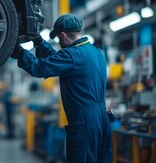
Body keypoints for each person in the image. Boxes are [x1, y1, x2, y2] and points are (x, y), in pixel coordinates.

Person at [11, 14, 112, 163]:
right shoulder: (96, 52)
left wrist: (20, 53)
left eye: (58, 38)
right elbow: (60, 59)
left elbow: (40, 68)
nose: (58, 41)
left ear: (63, 35)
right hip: (102, 118)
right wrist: (40, 42)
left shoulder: (72, 55)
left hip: (85, 121)